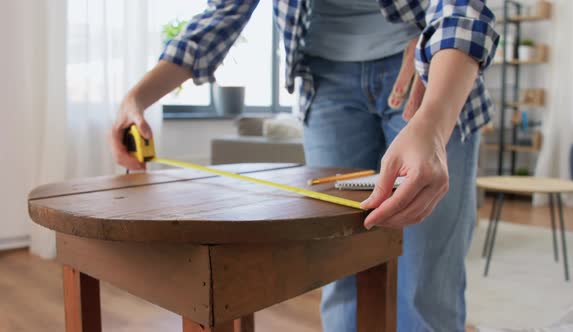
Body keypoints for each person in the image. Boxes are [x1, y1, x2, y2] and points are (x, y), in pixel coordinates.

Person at [109, 0, 499, 330]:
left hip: (433, 68)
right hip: (325, 82)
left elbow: (462, 9)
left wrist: (432, 117)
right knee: (340, 270)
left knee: (426, 280)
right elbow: (221, 15)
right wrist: (136, 98)